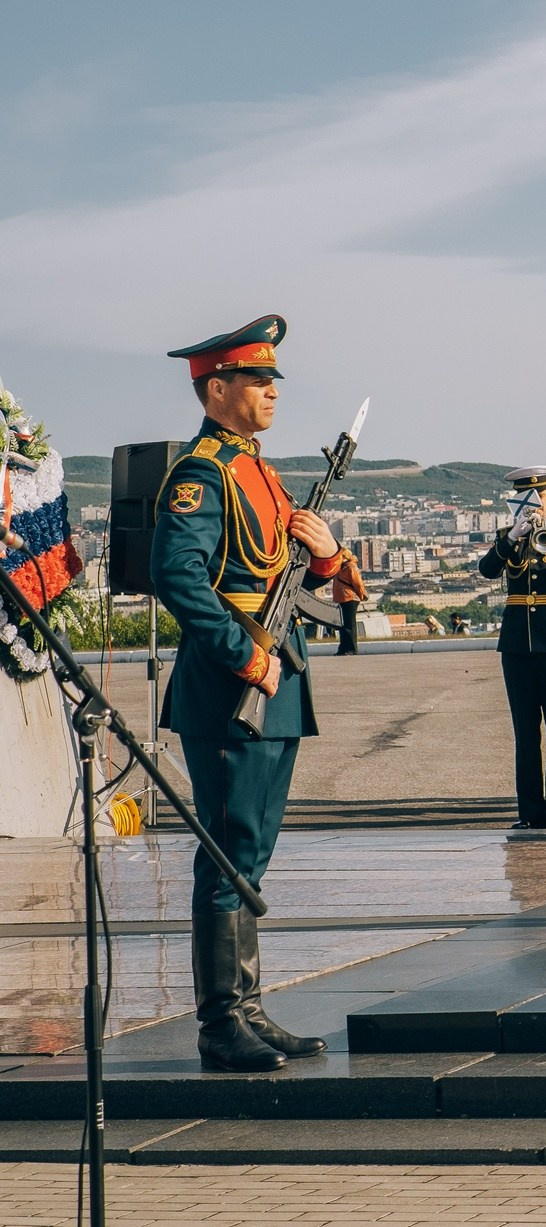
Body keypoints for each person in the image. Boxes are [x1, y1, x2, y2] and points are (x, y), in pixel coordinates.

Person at [153, 314, 353, 1071]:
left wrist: (329, 556)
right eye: (256, 379)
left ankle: (247, 1007)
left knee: (252, 853)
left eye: (273, 378)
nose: (272, 390)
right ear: (216, 388)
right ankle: (218, 1022)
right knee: (228, 851)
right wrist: (245, 655)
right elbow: (181, 577)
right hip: (233, 684)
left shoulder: (257, 470)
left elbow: (283, 572)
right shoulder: (202, 473)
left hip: (275, 682)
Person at [478, 466, 546, 830]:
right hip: (517, 644)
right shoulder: (507, 536)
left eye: (539, 495)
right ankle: (529, 811)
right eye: (525, 497)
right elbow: (488, 570)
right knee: (525, 731)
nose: (534, 502)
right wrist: (513, 535)